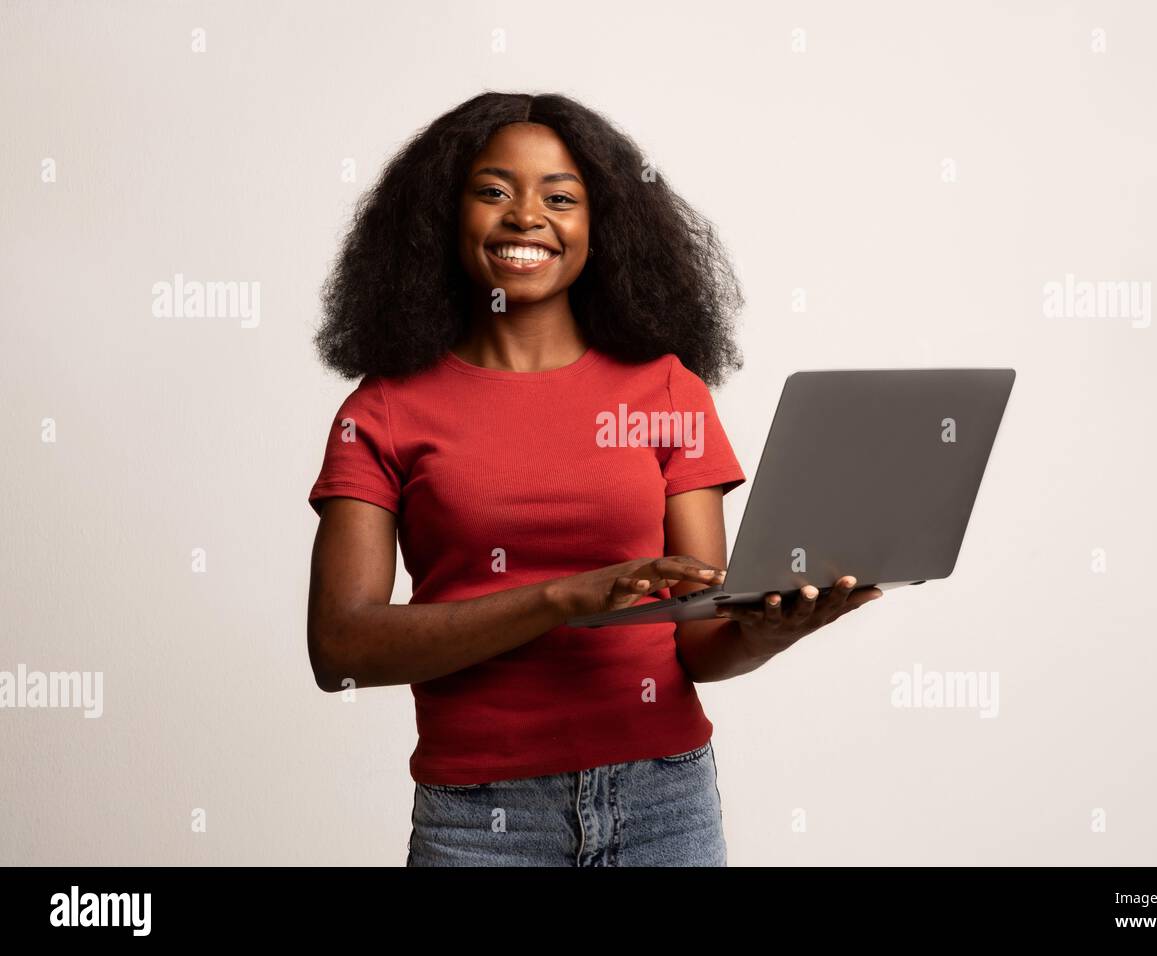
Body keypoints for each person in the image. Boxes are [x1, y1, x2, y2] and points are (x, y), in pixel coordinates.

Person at [306, 92, 884, 867]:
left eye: (560, 198)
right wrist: (558, 598)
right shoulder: (382, 410)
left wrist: (762, 634)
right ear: (441, 217)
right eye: (492, 191)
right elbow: (341, 647)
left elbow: (699, 641)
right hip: (482, 822)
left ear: (598, 225)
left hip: (664, 808)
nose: (526, 217)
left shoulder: (668, 390)